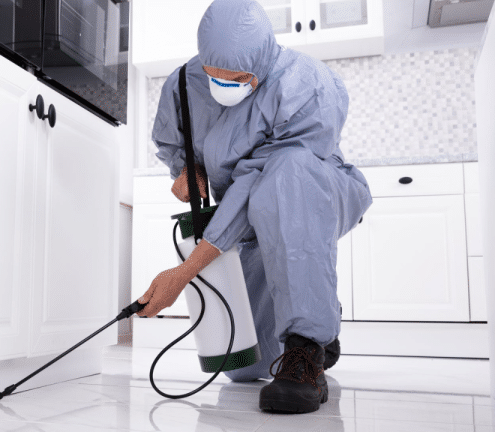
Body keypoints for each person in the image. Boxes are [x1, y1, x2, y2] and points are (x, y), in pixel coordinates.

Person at [134, 0, 373, 414]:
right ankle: (318, 312)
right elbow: (174, 142)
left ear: (261, 62)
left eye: (239, 79)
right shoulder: (183, 84)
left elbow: (257, 183)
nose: (224, 85)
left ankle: (306, 349)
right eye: (214, 75)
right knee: (245, 366)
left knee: (287, 174)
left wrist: (186, 271)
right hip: (248, 214)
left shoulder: (307, 83)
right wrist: (189, 169)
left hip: (311, 193)